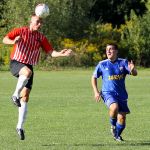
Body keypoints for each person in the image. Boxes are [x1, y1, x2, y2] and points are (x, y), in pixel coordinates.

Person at [2, 14, 72, 140]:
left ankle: (19, 127)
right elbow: (4, 39)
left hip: (28, 65)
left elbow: (51, 52)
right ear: (31, 21)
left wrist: (61, 54)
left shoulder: (41, 38)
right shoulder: (21, 31)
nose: (39, 24)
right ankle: (14, 95)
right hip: (16, 62)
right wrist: (13, 41)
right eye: (37, 22)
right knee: (27, 73)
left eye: (41, 22)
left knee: (25, 97)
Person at [91, 43, 137, 142]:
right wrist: (96, 92)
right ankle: (113, 126)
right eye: (107, 49)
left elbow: (135, 73)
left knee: (122, 119)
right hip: (107, 93)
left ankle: (117, 135)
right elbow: (93, 77)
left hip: (121, 95)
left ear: (116, 51)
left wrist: (133, 70)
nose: (108, 51)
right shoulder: (102, 64)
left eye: (111, 49)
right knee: (114, 107)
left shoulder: (123, 62)